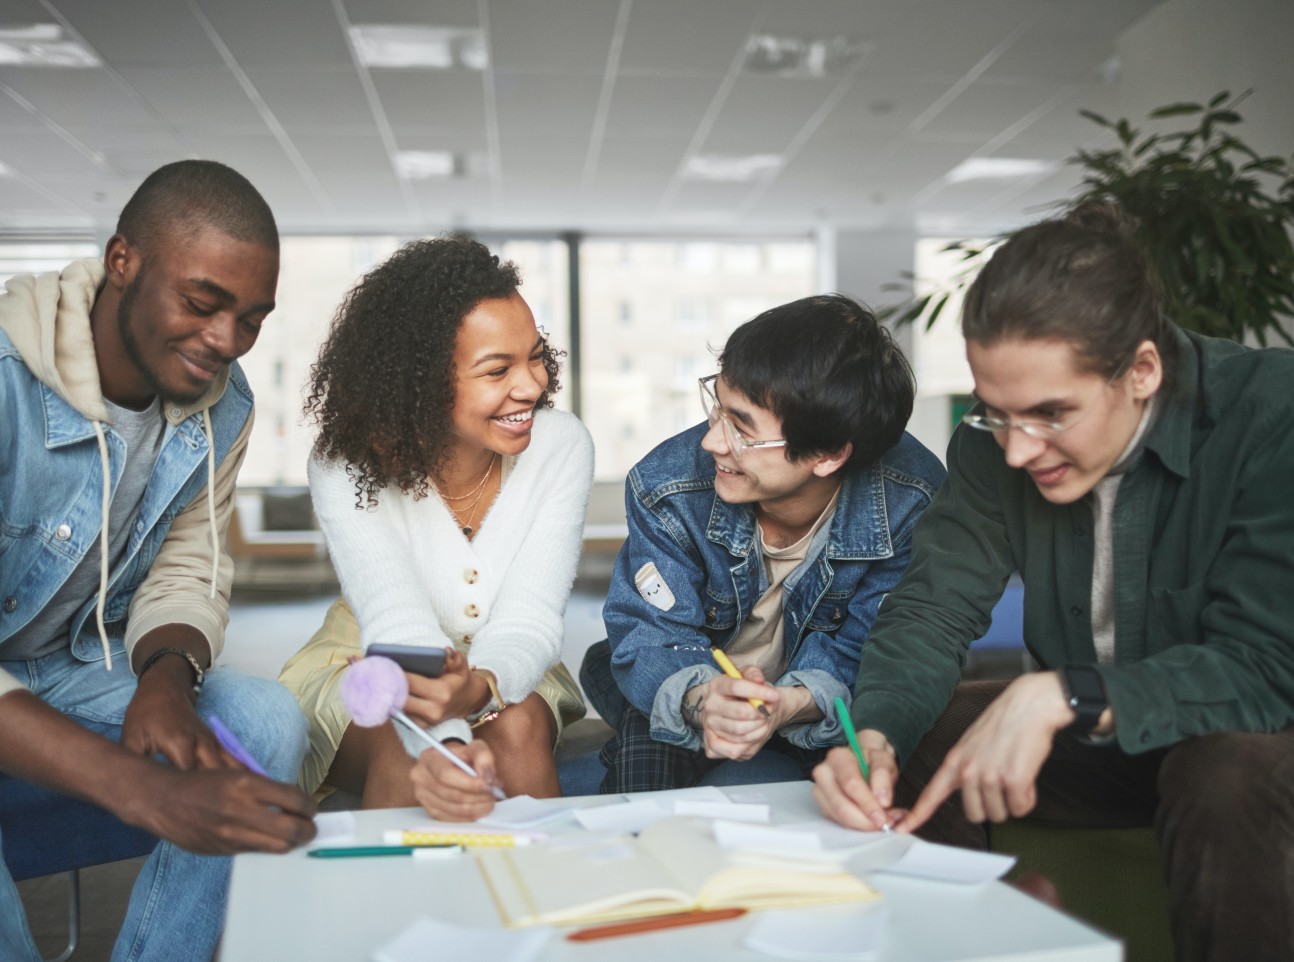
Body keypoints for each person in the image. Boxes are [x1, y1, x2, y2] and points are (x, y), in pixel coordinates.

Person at [812, 201, 1294, 962]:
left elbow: (1270, 668)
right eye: (996, 415)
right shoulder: (993, 441)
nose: (1015, 451)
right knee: (925, 732)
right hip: (1116, 740)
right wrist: (875, 736)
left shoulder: (1272, 413)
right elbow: (931, 609)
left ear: (1142, 370)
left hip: (1257, 736)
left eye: (1049, 415)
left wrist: (1064, 692)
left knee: (1220, 768)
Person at [0, 160, 316, 962]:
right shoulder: (6, 379)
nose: (226, 341)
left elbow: (189, 564)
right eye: (203, 303)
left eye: (251, 319)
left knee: (265, 718)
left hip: (66, 665)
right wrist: (147, 792)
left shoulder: (225, 405)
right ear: (122, 262)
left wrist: (167, 679)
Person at [278, 235, 593, 820]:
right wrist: (446, 739)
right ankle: (401, 912)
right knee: (408, 746)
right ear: (418, 381)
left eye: (535, 356)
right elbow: (397, 619)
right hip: (373, 659)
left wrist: (483, 686)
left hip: (512, 657)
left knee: (517, 724)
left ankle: (549, 903)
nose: (532, 386)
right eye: (497, 369)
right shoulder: (344, 463)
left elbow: (529, 615)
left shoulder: (561, 446)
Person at [581, 294, 946, 793]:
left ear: (827, 454)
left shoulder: (910, 498)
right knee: (645, 757)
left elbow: (873, 652)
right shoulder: (667, 484)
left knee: (851, 781)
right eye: (718, 409)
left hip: (816, 692)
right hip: (689, 670)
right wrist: (707, 699)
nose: (712, 442)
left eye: (742, 430)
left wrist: (787, 706)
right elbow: (651, 635)